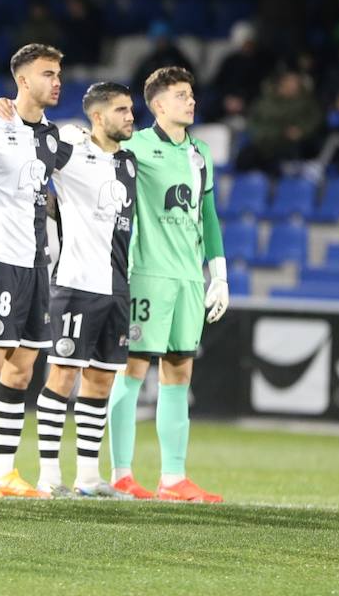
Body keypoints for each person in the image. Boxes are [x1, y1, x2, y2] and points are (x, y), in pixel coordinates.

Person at [112, 66, 227, 503]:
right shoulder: (136, 146)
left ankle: (173, 478)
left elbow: (209, 215)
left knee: (179, 370)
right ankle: (121, 474)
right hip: (148, 274)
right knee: (134, 369)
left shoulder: (200, 152)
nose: (191, 101)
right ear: (158, 105)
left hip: (187, 278)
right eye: (181, 95)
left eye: (192, 94)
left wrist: (218, 274)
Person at [0, 43, 64, 499]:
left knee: (22, 370)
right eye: (48, 73)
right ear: (23, 80)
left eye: (59, 73)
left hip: (35, 265)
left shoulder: (54, 138)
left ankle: (4, 470)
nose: (57, 81)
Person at [34, 82, 138, 498]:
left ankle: (89, 477)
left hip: (116, 287)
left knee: (101, 381)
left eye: (131, 109)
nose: (131, 116)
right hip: (76, 283)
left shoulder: (129, 162)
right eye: (121, 110)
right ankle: (47, 475)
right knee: (62, 375)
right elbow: (35, 144)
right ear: (98, 117)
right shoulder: (72, 151)